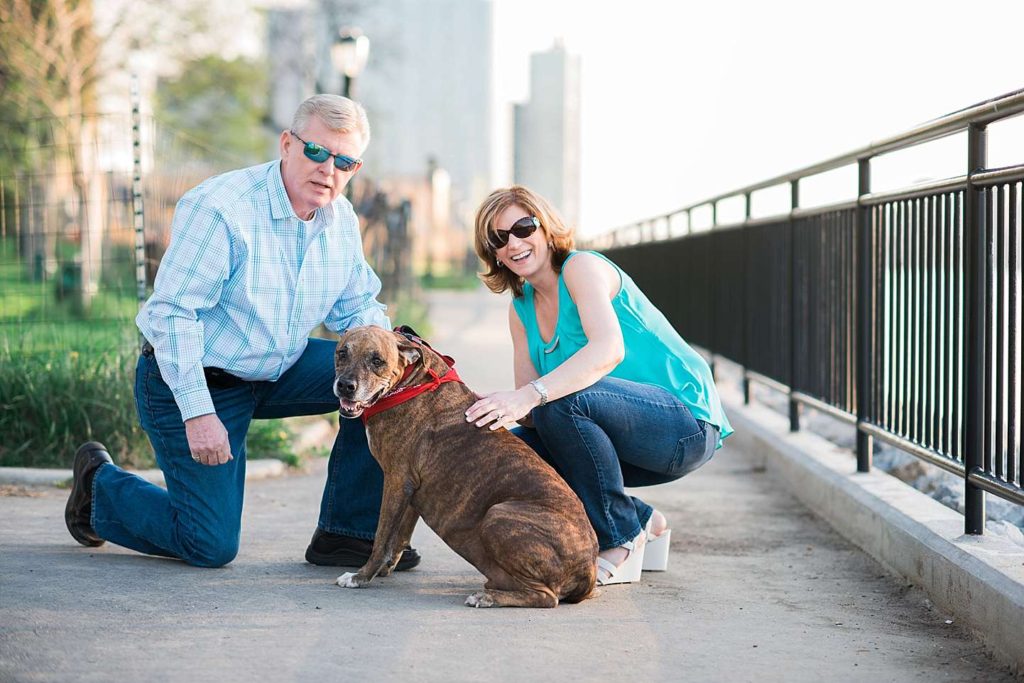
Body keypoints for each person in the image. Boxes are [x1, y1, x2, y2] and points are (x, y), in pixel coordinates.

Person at [64, 94, 420, 570]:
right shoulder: (222, 209)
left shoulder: (340, 221)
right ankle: (98, 488)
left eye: (345, 161)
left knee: (391, 385)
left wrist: (399, 354)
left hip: (279, 367)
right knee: (209, 545)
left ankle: (346, 534)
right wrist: (198, 413)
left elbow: (356, 306)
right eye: (316, 152)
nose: (328, 169)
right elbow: (172, 316)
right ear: (287, 144)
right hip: (191, 379)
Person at [465, 185, 732, 586]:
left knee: (561, 400)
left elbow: (608, 349)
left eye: (523, 227)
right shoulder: (520, 311)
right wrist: (495, 405)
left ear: (545, 226)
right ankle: (643, 520)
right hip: (621, 442)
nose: (514, 243)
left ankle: (621, 538)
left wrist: (530, 395)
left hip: (684, 426)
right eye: (499, 239)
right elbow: (537, 415)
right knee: (512, 449)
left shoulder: (581, 268)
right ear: (493, 254)